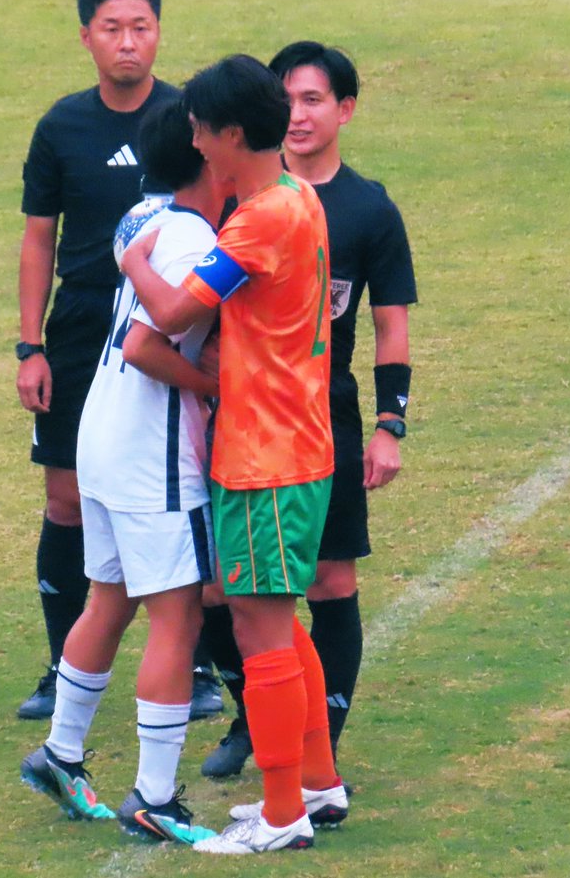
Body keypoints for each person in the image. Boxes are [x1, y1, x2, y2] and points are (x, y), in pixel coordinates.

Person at [120, 54, 346, 854]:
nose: (195, 143)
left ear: (232, 133)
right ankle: (315, 784)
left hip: (265, 455)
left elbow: (175, 307)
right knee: (282, 624)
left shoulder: (259, 222)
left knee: (260, 633)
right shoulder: (297, 198)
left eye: (201, 129)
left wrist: (134, 255)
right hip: (295, 441)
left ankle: (282, 813)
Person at [198, 42, 416, 779]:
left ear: (344, 109)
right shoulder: (253, 196)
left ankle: (316, 752)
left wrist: (391, 423)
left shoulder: (358, 205)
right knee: (240, 596)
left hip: (313, 421)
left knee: (323, 586)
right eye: (286, 97)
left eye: (313, 98)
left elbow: (391, 324)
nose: (297, 113)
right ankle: (262, 729)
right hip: (252, 418)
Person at [19, 100, 224, 844]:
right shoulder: (193, 237)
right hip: (151, 453)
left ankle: (61, 754)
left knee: (108, 599)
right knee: (179, 614)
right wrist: (211, 386)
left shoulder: (142, 216)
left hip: (100, 436)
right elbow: (145, 345)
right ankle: (156, 797)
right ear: (205, 155)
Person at [14, 0, 181, 720]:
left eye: (140, 27)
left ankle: (194, 663)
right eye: (111, 29)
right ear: (86, 37)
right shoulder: (62, 126)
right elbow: (37, 239)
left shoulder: (186, 118)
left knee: (179, 497)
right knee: (67, 498)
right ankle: (62, 664)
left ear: (158, 31)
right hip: (81, 329)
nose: (127, 43)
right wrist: (30, 346)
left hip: (170, 324)